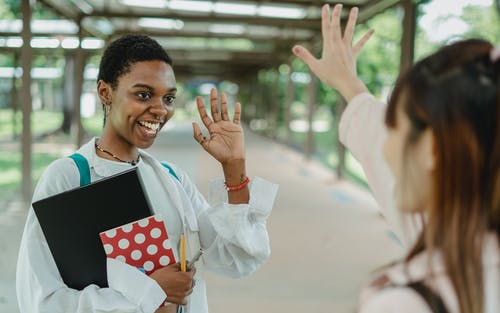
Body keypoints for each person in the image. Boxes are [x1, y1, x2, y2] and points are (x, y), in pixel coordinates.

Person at [16, 34, 278, 313]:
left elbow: (236, 257)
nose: (160, 110)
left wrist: (234, 168)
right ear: (105, 92)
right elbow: (40, 300)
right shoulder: (68, 178)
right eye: (143, 94)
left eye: (168, 98)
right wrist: (148, 294)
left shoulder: (171, 179)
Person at [293, 4, 499, 313]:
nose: (386, 148)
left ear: (432, 150)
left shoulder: (406, 303)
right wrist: (350, 85)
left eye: (394, 128)